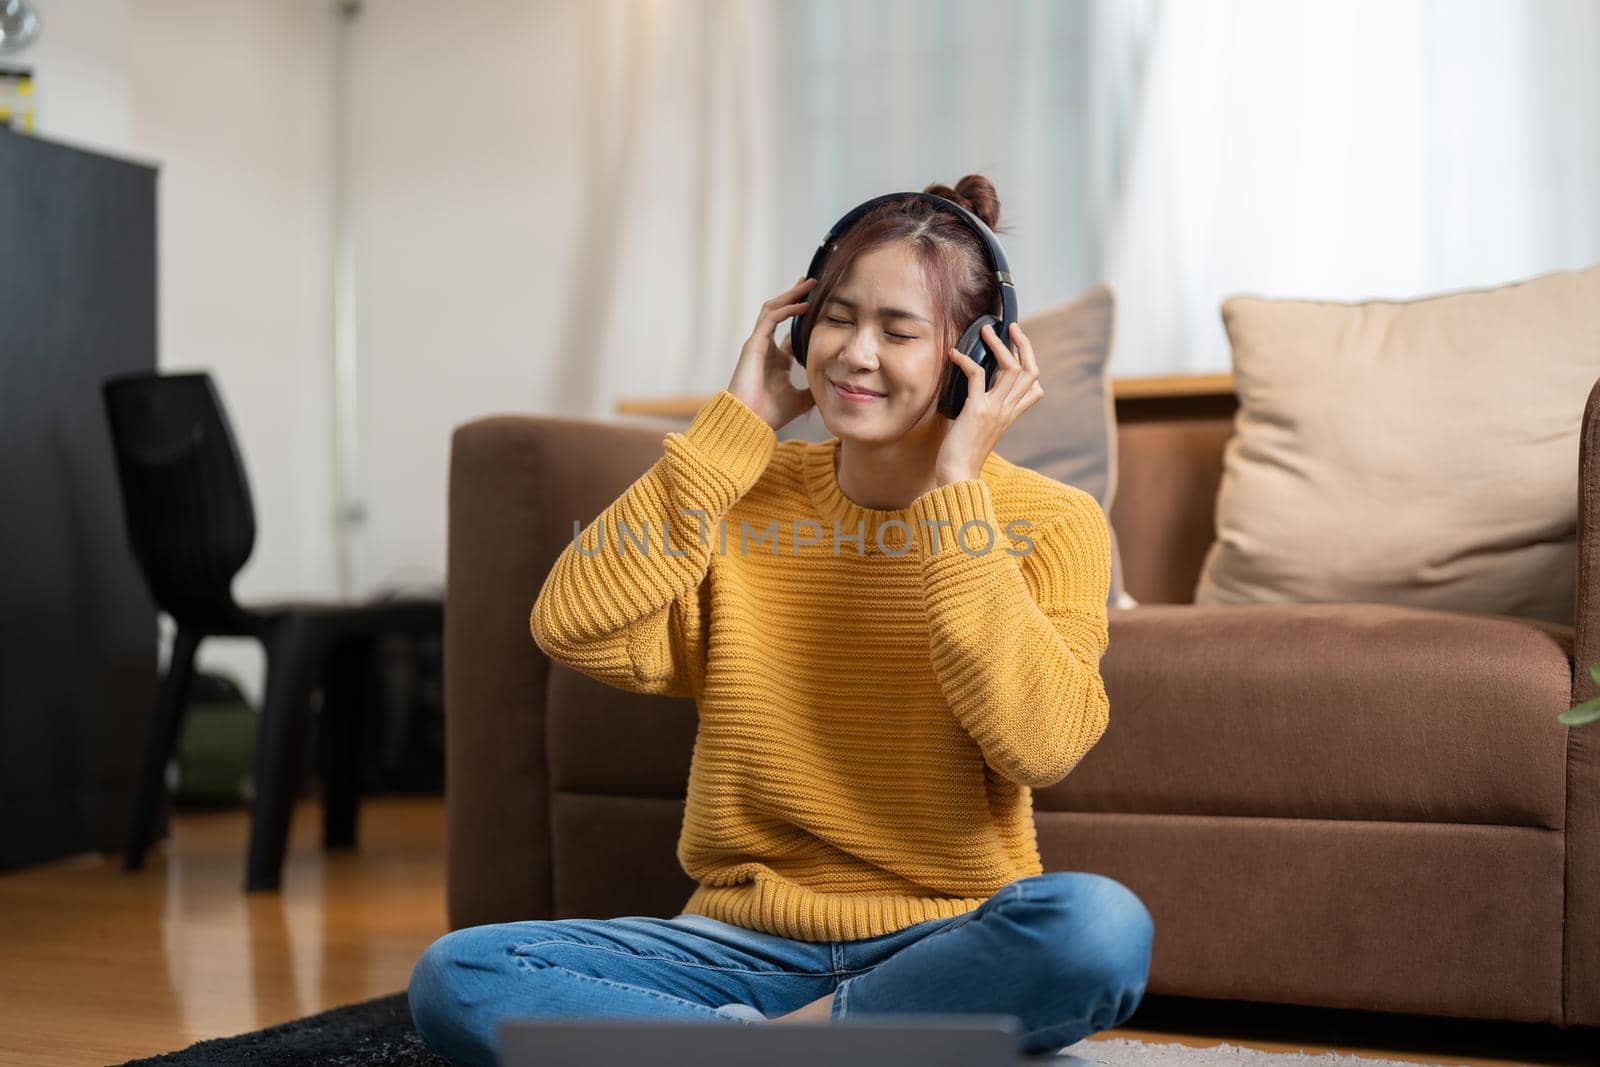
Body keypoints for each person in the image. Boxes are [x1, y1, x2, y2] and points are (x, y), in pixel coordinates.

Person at [408, 175, 1153, 1066]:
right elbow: (571, 625)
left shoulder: (1054, 521)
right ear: (797, 324)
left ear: (980, 358)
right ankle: (848, 1051)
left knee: (1099, 927)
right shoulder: (745, 496)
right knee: (460, 974)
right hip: (737, 948)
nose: (854, 353)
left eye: (899, 330)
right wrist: (736, 428)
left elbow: (1042, 743)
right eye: (837, 317)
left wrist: (958, 494)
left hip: (938, 945)